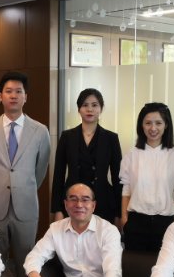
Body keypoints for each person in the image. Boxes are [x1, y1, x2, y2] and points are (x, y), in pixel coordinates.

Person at [0, 71, 51, 277]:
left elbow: (40, 170)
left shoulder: (40, 131)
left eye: (19, 91)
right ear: (0, 96)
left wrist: (23, 186)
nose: (13, 95)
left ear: (26, 97)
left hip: (26, 206)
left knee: (26, 263)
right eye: (8, 91)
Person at [119, 102, 174, 251]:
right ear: (141, 125)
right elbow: (126, 189)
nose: (153, 128)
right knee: (134, 264)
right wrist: (124, 219)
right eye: (148, 123)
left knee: (166, 264)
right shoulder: (132, 155)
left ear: (166, 125)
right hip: (136, 222)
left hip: (166, 223)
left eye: (158, 123)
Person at [51, 88, 122, 225]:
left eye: (94, 105)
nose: (90, 109)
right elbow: (58, 176)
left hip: (102, 201)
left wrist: (119, 213)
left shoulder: (111, 138)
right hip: (72, 200)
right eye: (85, 105)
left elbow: (117, 177)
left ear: (101, 109)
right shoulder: (67, 137)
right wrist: (57, 209)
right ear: (79, 109)